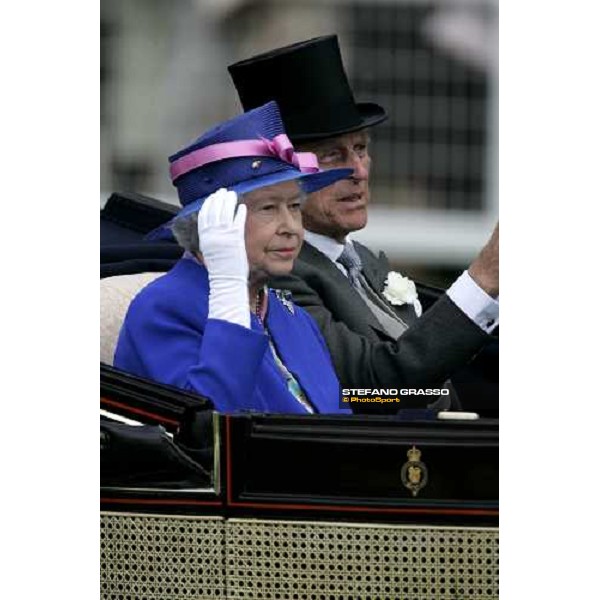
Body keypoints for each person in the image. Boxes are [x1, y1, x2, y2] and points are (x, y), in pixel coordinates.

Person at [228, 35, 499, 409]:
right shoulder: (279, 271)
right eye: (331, 156)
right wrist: (484, 279)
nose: (357, 171)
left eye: (360, 149)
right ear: (281, 178)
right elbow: (374, 387)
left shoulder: (363, 261)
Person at [114, 101, 354, 415]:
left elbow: (343, 407)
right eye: (268, 208)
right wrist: (229, 287)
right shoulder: (162, 307)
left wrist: (420, 402)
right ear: (214, 223)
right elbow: (211, 431)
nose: (292, 228)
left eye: (294, 206)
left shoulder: (290, 313)